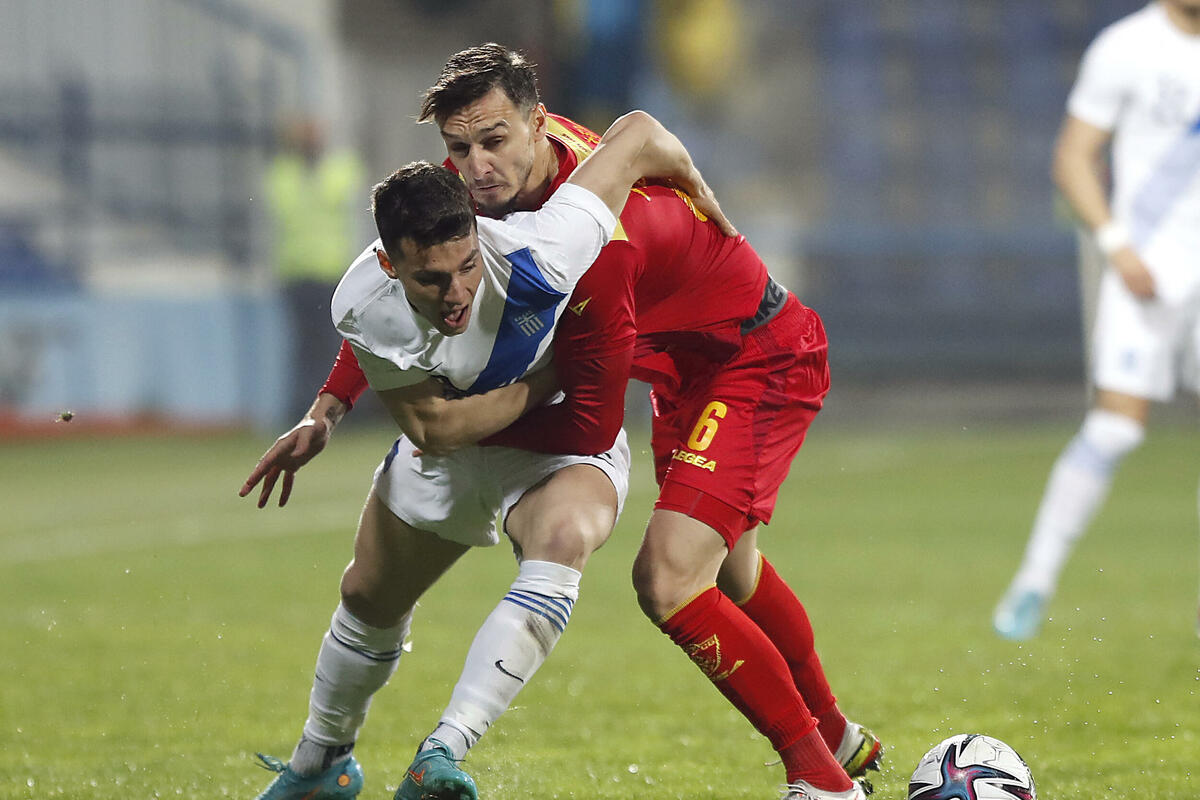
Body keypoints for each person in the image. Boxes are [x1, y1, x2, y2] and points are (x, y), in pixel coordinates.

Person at [243, 44, 879, 800]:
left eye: (493, 141)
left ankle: (820, 779)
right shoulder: (479, 190)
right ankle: (837, 736)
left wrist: (458, 427)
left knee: (669, 578)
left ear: (538, 123)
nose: (476, 167)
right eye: (459, 149)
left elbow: (588, 424)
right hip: (674, 366)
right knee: (733, 574)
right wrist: (332, 404)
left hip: (754, 355)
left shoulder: (592, 242)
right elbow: (404, 297)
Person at [993, 0, 1200, 641]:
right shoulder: (1126, 46)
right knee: (1115, 428)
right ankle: (1034, 580)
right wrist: (1116, 246)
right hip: (1147, 273)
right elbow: (1073, 157)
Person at [264, 117, 366, 421]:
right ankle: (305, 410)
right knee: (305, 347)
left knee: (334, 347)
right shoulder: (284, 173)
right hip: (298, 273)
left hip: (333, 272)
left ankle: (335, 407)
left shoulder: (338, 168)